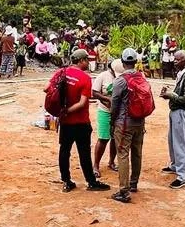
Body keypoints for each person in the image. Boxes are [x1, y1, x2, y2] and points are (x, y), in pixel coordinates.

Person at [49, 49, 109, 193]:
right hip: (81, 122)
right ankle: (91, 182)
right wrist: (68, 111)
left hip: (65, 123)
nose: (88, 62)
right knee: (84, 152)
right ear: (81, 60)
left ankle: (66, 181)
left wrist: (61, 111)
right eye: (87, 60)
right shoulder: (85, 78)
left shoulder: (61, 73)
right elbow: (82, 103)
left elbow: (47, 89)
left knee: (64, 150)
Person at [108, 48, 153, 202]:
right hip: (139, 122)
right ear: (135, 62)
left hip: (124, 123)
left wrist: (112, 121)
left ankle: (124, 191)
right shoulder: (142, 77)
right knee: (137, 153)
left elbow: (115, 103)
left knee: (122, 155)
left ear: (122, 62)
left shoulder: (120, 81)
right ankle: (133, 183)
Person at [160, 49, 185, 187]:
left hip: (181, 112)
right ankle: (175, 165)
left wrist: (171, 96)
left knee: (181, 143)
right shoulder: (182, 74)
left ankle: (182, 176)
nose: (174, 62)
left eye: (177, 60)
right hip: (176, 110)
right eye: (174, 59)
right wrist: (171, 94)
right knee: (173, 140)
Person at [91, 56, 122, 177]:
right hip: (104, 111)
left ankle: (111, 162)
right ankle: (96, 165)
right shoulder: (103, 76)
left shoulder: (122, 77)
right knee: (103, 138)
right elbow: (94, 92)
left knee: (115, 139)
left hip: (118, 113)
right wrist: (106, 99)